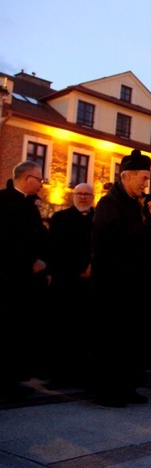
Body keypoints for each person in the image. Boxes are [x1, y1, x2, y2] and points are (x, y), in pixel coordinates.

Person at [90, 149, 151, 407]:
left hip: (137, 286)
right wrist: (145, 221)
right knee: (113, 340)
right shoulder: (108, 204)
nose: (146, 184)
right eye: (143, 178)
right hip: (114, 286)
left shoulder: (137, 205)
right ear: (127, 176)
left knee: (133, 339)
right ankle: (108, 391)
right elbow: (116, 237)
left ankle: (129, 386)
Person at [0, 161, 48, 399]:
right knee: (8, 331)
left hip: (26, 282)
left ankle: (15, 377)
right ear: (26, 178)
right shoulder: (4, 202)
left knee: (19, 331)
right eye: (39, 179)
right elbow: (7, 240)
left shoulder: (29, 205)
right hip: (10, 280)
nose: (41, 184)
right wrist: (30, 260)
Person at [45, 183, 96, 390]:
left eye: (87, 194)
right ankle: (59, 376)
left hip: (90, 285)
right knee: (62, 331)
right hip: (66, 283)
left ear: (93, 197)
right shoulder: (60, 219)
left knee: (85, 332)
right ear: (74, 195)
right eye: (80, 194)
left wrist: (92, 266)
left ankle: (82, 375)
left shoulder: (98, 220)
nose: (83, 197)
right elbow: (55, 250)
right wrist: (77, 269)